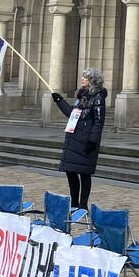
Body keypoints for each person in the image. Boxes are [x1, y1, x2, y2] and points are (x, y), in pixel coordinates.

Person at [50, 68, 107, 212]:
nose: (82, 79)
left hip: (86, 140)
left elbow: (98, 121)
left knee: (84, 173)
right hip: (74, 139)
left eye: (85, 77)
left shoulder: (98, 97)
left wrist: (92, 141)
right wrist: (59, 101)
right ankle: (74, 203)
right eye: (83, 77)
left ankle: (83, 204)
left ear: (92, 81)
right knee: (71, 171)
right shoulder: (81, 97)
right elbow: (72, 113)